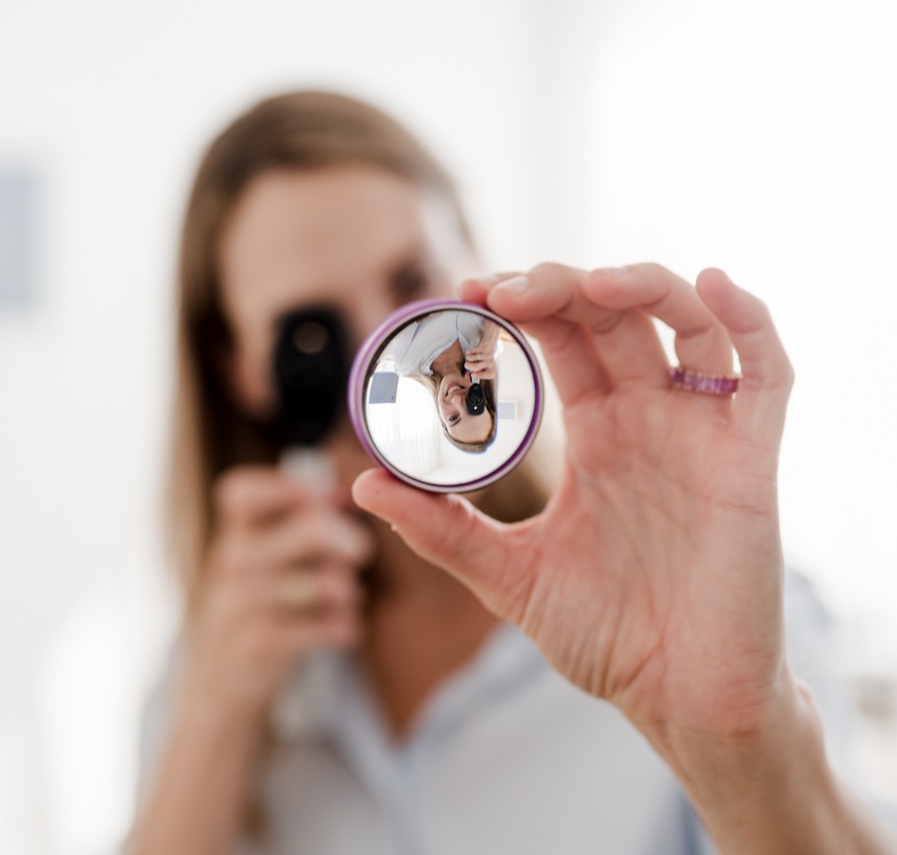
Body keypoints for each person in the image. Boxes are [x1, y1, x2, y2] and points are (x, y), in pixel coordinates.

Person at [128, 91, 897, 855]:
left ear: (470, 259)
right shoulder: (208, 673)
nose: (391, 356)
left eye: (410, 282)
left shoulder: (712, 603)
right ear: (242, 372)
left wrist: (741, 741)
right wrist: (215, 720)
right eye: (312, 335)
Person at [391, 309, 500, 451]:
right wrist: (490, 338)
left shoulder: (407, 363)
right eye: (473, 407)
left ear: (441, 418)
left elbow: (396, 308)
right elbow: (493, 301)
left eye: (453, 418)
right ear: (482, 398)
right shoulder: (483, 351)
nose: (457, 400)